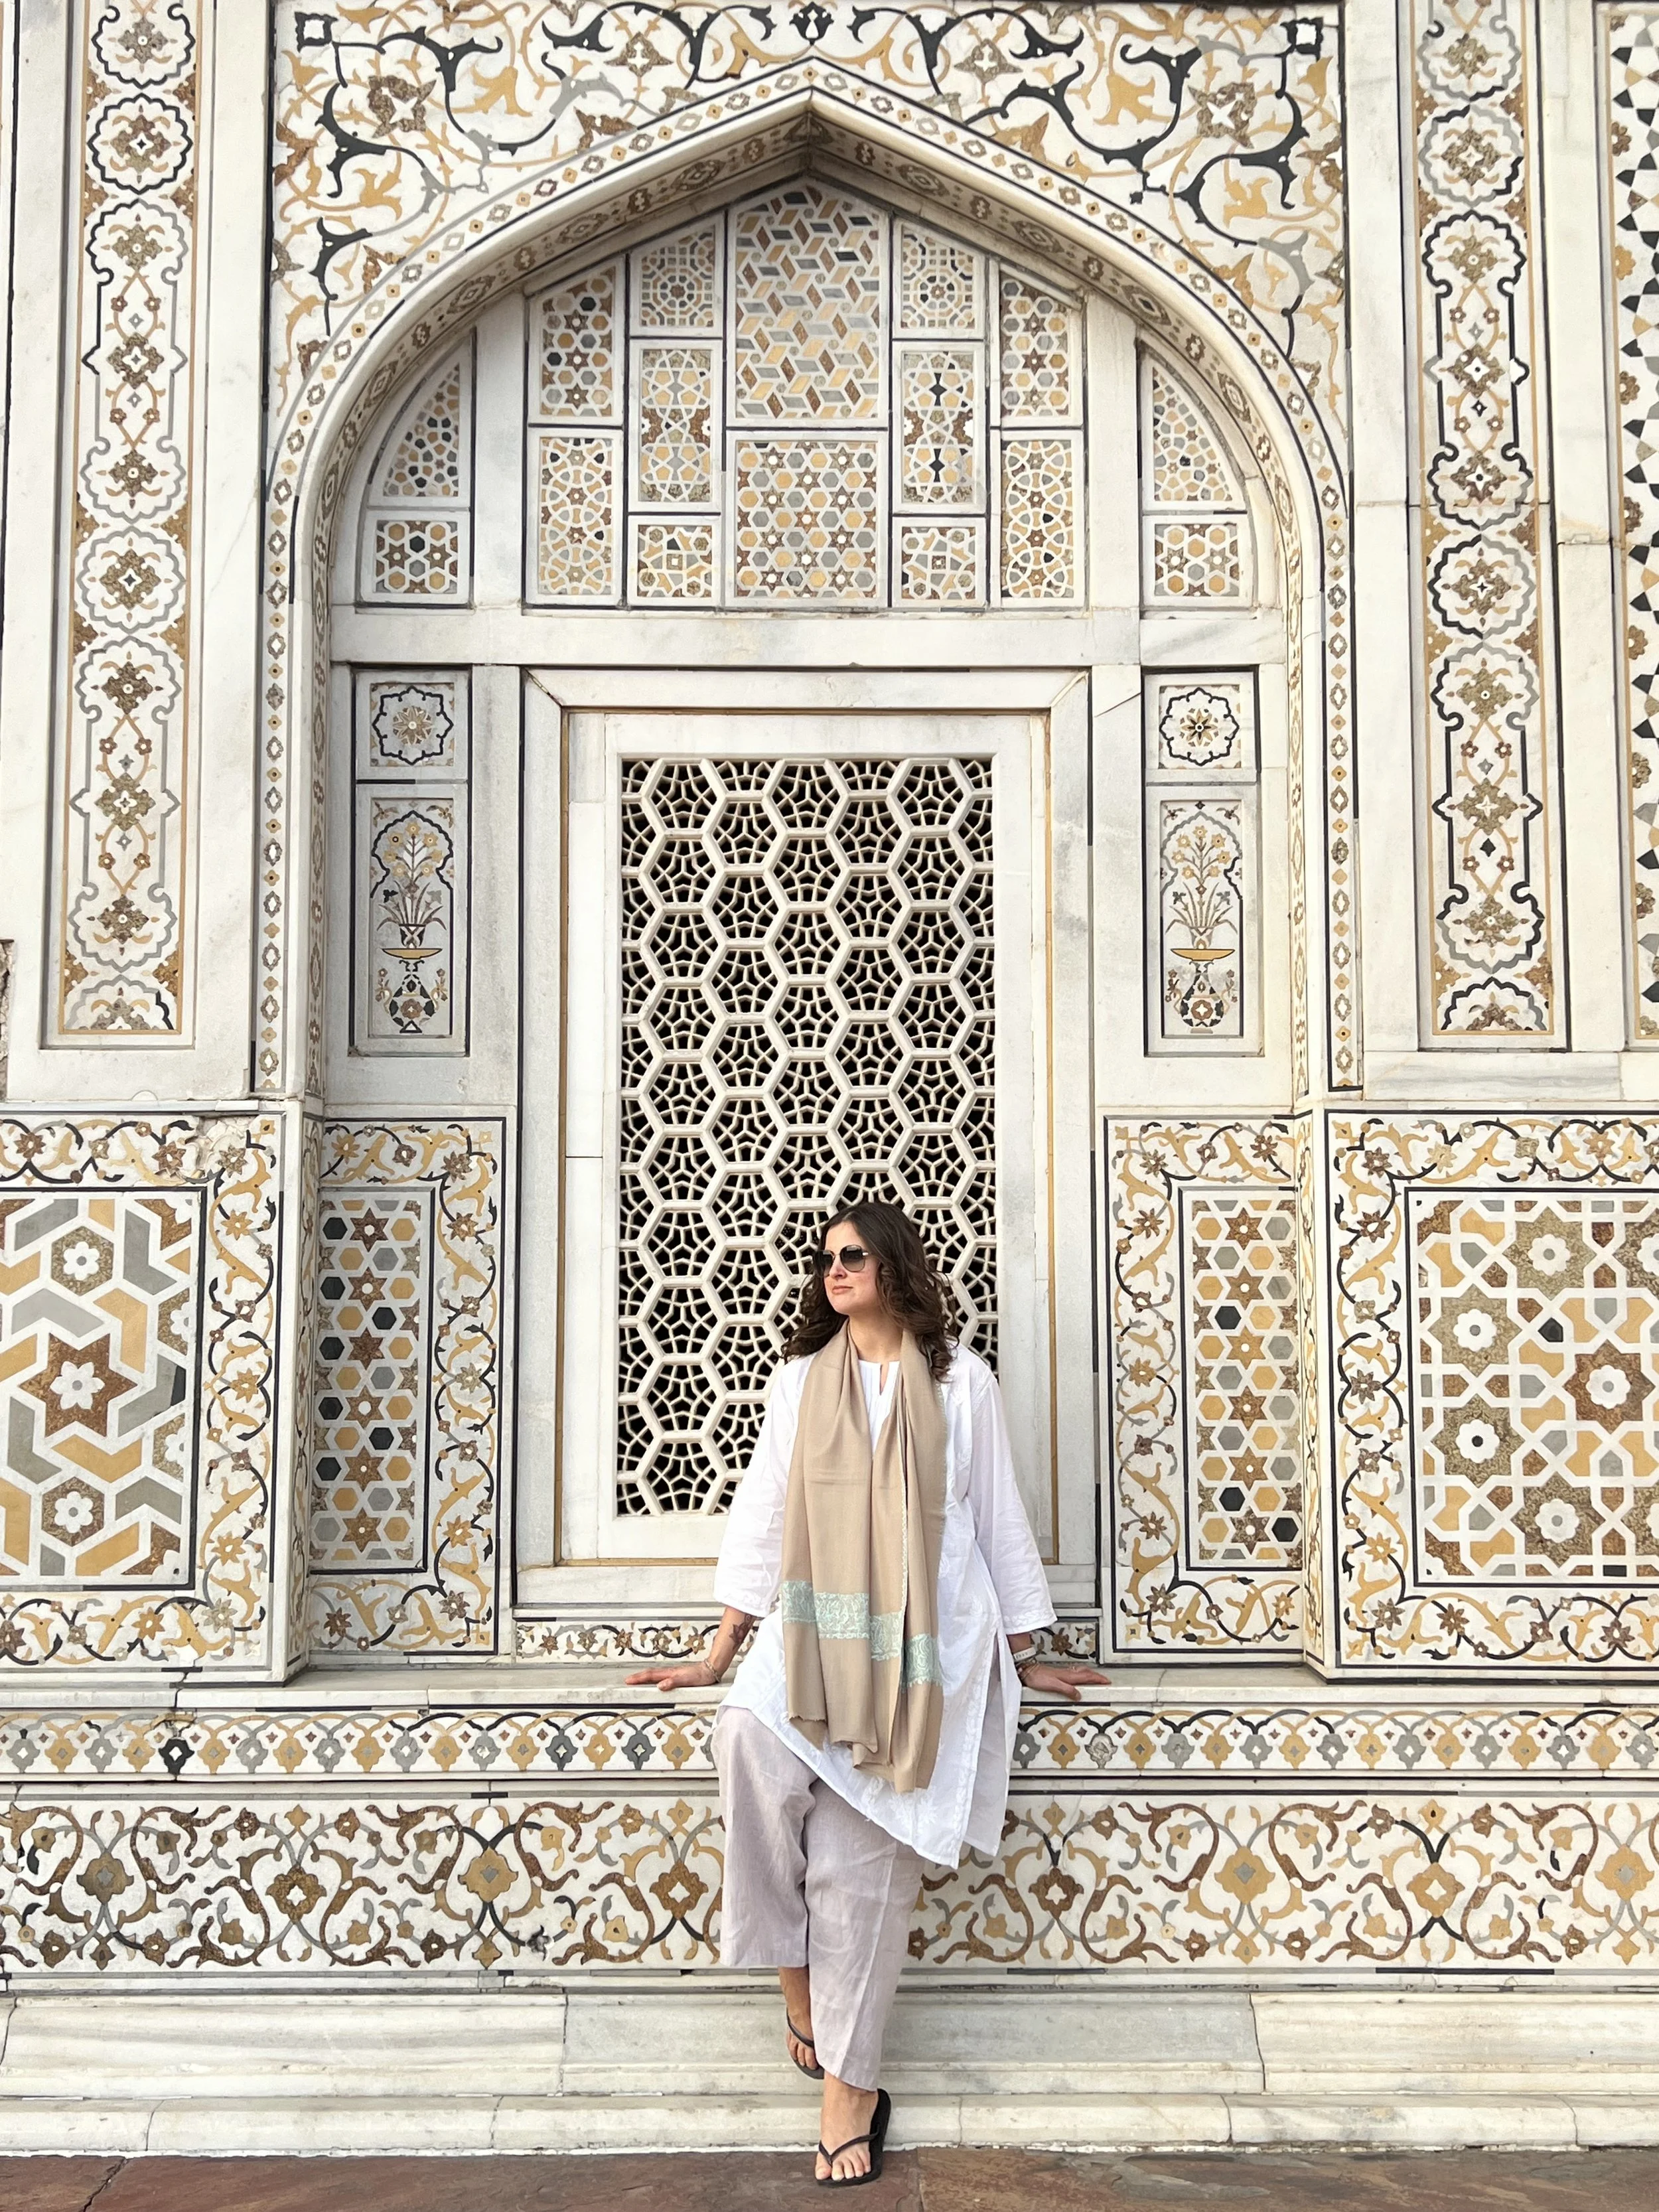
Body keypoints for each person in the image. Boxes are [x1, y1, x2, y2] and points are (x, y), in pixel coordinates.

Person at [627, 1201, 1109, 2185]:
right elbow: (766, 1511)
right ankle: (790, 1970)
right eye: (825, 1260)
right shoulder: (802, 1381)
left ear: (892, 1267)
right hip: (814, 1628)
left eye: (852, 1257)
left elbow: (994, 1515)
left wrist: (1025, 1653)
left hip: (929, 1646)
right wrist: (721, 1651)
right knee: (747, 1742)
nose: (834, 1271)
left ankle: (850, 2090)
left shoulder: (959, 1380)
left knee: (863, 1866)